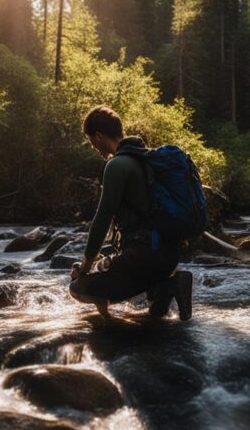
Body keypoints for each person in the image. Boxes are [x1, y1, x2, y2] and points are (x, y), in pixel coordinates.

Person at [68, 105, 193, 320]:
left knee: (78, 288)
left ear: (98, 135)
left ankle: (167, 285)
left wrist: (85, 267)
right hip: (168, 256)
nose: (92, 146)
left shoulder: (117, 165)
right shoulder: (146, 160)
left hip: (143, 256)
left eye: (91, 141)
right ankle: (166, 286)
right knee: (155, 316)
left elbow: (102, 219)